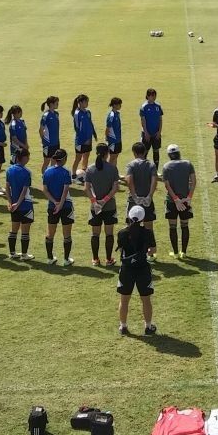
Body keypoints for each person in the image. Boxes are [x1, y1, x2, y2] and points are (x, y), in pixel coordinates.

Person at [116, 206, 156, 336]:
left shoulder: (122, 233)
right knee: (146, 299)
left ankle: (123, 326)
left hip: (127, 269)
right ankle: (148, 326)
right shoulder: (148, 232)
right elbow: (152, 251)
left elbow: (121, 250)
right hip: (142, 269)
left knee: (124, 299)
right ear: (143, 218)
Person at [85, 142, 121, 266]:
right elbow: (115, 188)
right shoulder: (112, 169)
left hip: (95, 208)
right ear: (107, 154)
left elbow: (87, 188)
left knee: (95, 233)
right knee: (109, 233)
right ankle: (109, 259)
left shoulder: (90, 169)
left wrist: (95, 202)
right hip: (109, 206)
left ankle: (95, 259)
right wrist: (105, 200)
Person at [161, 143, 196, 259]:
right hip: (185, 201)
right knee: (185, 226)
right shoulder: (188, 164)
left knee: (172, 227)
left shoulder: (166, 166)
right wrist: (189, 197)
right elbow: (193, 181)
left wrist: (175, 199)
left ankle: (175, 252)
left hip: (172, 201)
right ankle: (184, 252)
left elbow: (167, 185)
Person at [126, 141, 159, 259]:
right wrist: (149, 196)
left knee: (132, 227)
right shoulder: (151, 165)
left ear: (134, 153)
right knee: (149, 227)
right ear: (145, 152)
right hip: (147, 200)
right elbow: (154, 180)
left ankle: (133, 252)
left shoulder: (131, 165)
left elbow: (129, 180)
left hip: (134, 201)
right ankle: (151, 252)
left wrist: (134, 196)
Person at [42, 148, 75, 266]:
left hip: (52, 207)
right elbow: (65, 191)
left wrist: (54, 202)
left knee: (50, 234)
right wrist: (60, 204)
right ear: (65, 159)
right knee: (67, 234)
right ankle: (66, 260)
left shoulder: (47, 171)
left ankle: (50, 258)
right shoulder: (66, 172)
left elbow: (45, 190)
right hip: (65, 206)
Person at [5, 148, 36, 260]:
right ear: (23, 157)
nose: (28, 158)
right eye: (28, 156)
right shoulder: (27, 172)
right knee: (25, 231)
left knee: (13, 229)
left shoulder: (9, 170)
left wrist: (10, 202)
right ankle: (24, 254)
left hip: (13, 206)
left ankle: (12, 253)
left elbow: (7, 187)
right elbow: (24, 191)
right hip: (25, 205)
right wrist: (18, 203)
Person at [71, 94, 96, 183]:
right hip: (80, 141)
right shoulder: (77, 114)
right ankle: (73, 175)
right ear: (80, 102)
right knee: (78, 157)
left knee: (86, 156)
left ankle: (84, 171)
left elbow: (90, 124)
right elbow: (77, 129)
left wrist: (94, 134)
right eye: (86, 101)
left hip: (89, 139)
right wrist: (84, 139)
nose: (87, 103)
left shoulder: (88, 112)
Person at [139, 88, 164, 172]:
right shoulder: (144, 107)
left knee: (156, 151)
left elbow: (160, 120)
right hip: (147, 134)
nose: (153, 97)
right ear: (147, 96)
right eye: (151, 95)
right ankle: (143, 170)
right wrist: (146, 133)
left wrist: (159, 132)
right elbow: (143, 121)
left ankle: (155, 171)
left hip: (156, 134)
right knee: (144, 152)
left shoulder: (158, 106)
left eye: (154, 95)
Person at [39, 96, 60, 171]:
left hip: (56, 142)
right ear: (51, 104)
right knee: (46, 162)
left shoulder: (56, 114)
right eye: (56, 103)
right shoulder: (45, 115)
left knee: (54, 161)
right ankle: (44, 178)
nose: (58, 104)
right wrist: (43, 140)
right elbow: (41, 129)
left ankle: (51, 176)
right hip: (48, 143)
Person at [105, 97, 123, 165]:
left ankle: (114, 173)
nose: (120, 106)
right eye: (119, 104)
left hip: (118, 139)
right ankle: (109, 173)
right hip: (113, 140)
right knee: (112, 157)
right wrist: (107, 137)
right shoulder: (111, 115)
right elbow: (107, 128)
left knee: (116, 156)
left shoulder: (117, 114)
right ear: (114, 105)